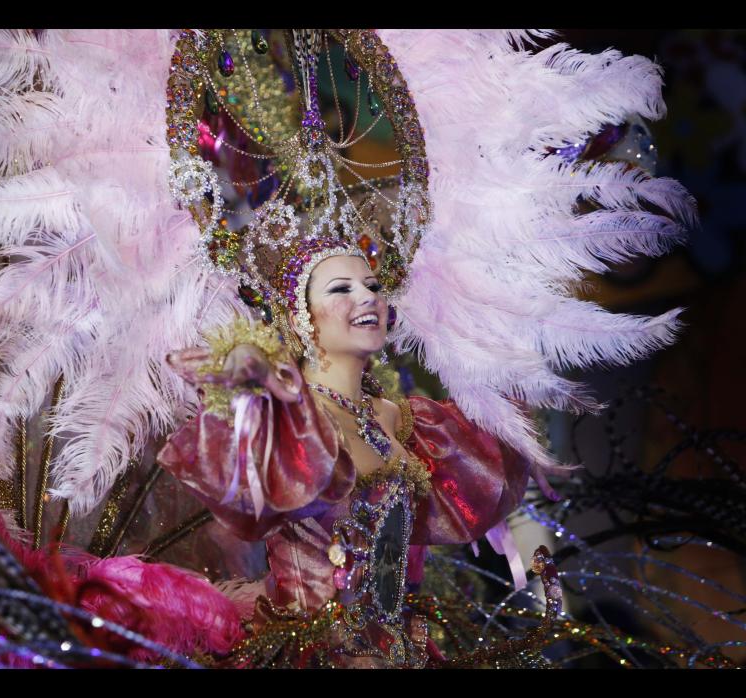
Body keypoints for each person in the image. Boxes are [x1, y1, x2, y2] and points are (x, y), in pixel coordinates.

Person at [157, 237, 548, 667]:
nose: (367, 297)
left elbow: (493, 445)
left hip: (401, 653)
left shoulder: (402, 419)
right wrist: (249, 375)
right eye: (341, 288)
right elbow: (250, 481)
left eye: (373, 286)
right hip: (313, 651)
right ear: (299, 318)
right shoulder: (290, 415)